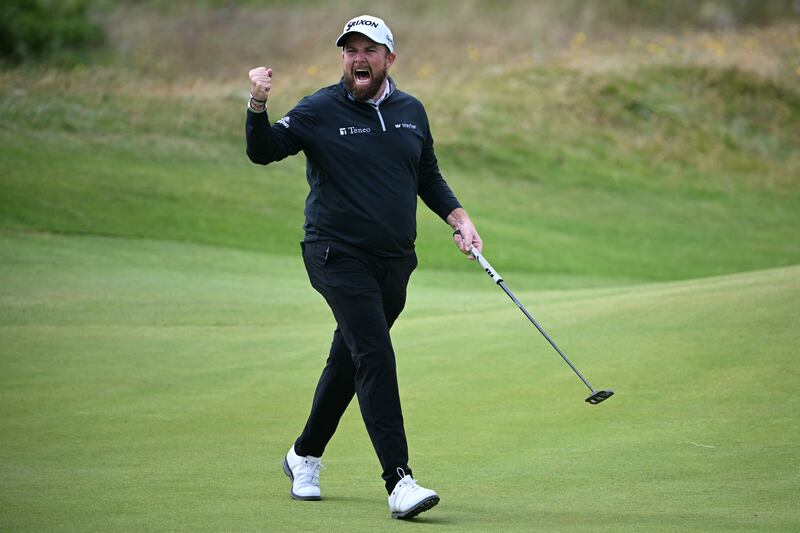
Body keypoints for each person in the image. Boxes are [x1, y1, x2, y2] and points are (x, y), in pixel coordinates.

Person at [246, 14, 482, 520]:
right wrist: (258, 104)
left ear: (388, 59)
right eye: (350, 49)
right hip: (335, 254)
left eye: (369, 49)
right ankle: (399, 481)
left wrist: (459, 219)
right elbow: (262, 151)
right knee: (375, 353)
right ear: (343, 58)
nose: (359, 57)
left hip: (395, 262)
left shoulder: (410, 111)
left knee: (350, 361)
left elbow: (427, 176)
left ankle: (303, 455)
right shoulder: (318, 109)